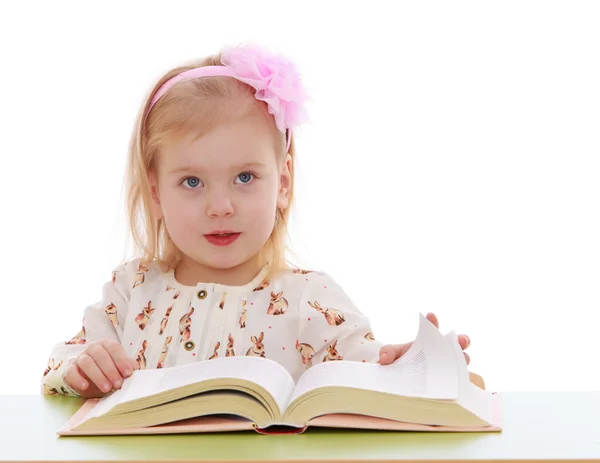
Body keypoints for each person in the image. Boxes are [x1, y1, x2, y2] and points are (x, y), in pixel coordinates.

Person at [41, 43, 473, 398]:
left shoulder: (312, 299)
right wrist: (81, 367)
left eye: (244, 177)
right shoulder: (131, 290)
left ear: (282, 183)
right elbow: (59, 366)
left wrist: (408, 365)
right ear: (156, 193)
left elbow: (367, 372)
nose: (220, 206)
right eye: (192, 182)